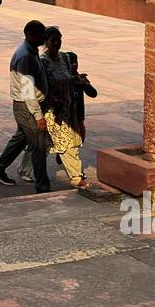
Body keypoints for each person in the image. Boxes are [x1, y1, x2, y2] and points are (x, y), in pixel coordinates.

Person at [0, 20, 51, 192]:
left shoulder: (31, 51)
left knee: (20, 138)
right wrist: (38, 115)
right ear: (30, 34)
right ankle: (42, 186)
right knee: (39, 145)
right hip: (27, 106)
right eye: (41, 35)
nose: (44, 39)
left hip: (26, 105)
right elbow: (28, 89)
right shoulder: (25, 56)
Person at [39, 26, 97, 189]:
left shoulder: (64, 58)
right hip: (54, 111)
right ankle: (76, 177)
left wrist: (77, 79)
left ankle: (75, 174)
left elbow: (67, 78)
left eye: (59, 39)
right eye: (53, 40)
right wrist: (53, 104)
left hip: (68, 107)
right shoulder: (43, 62)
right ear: (46, 42)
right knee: (64, 144)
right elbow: (43, 86)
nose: (57, 43)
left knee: (70, 142)